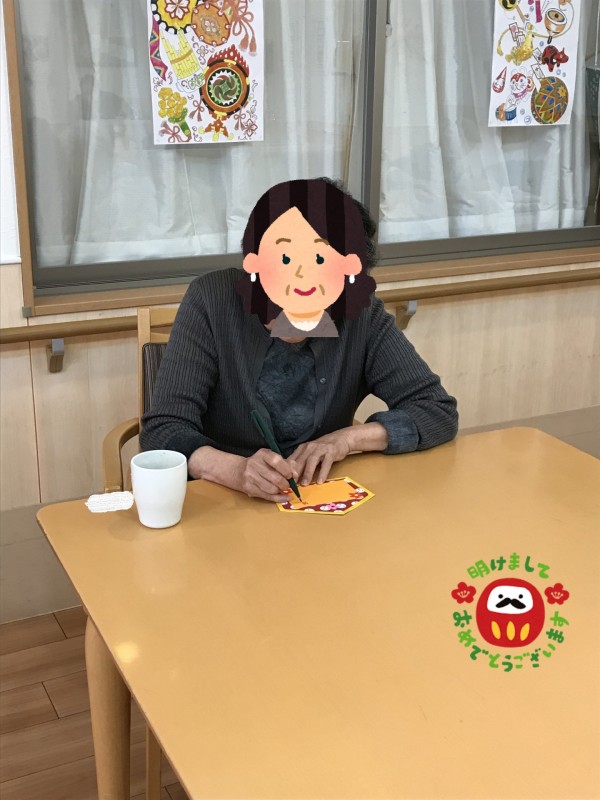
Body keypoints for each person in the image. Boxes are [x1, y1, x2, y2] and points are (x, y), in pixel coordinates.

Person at [140, 178, 458, 504]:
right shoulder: (212, 300)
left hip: (316, 502)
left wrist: (347, 439)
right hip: (220, 503)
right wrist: (236, 470)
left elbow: (435, 409)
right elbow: (163, 430)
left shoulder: (359, 314)